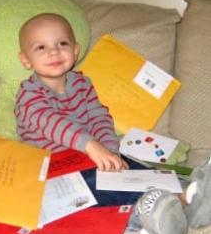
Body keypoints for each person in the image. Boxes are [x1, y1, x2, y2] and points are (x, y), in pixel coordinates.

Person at [15, 12, 128, 172]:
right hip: (49, 166)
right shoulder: (27, 94)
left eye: (62, 43)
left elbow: (99, 118)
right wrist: (90, 145)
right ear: (26, 59)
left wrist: (110, 152)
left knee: (137, 169)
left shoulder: (83, 83)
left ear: (75, 50)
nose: (54, 52)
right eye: (41, 47)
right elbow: (50, 122)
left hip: (88, 159)